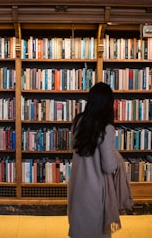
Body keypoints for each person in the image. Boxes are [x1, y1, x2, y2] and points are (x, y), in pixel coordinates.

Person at [67, 82, 118, 238]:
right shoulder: (106, 129)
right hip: (95, 192)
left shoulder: (78, 122)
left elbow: (75, 148)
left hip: (77, 187)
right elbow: (109, 166)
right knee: (96, 232)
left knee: (79, 230)